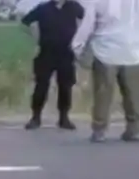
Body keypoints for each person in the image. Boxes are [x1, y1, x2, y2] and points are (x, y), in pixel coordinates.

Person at [71, 0, 139, 142]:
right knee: (133, 94)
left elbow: (88, 24)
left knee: (102, 93)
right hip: (132, 51)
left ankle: (99, 130)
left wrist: (77, 45)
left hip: (105, 51)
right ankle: (134, 129)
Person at [21, 0, 85, 130]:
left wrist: (80, 40)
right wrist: (35, 38)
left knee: (66, 86)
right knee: (41, 85)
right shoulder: (43, 8)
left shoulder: (74, 7)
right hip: (46, 53)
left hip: (66, 53)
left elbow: (88, 21)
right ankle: (36, 117)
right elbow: (24, 23)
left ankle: (64, 118)